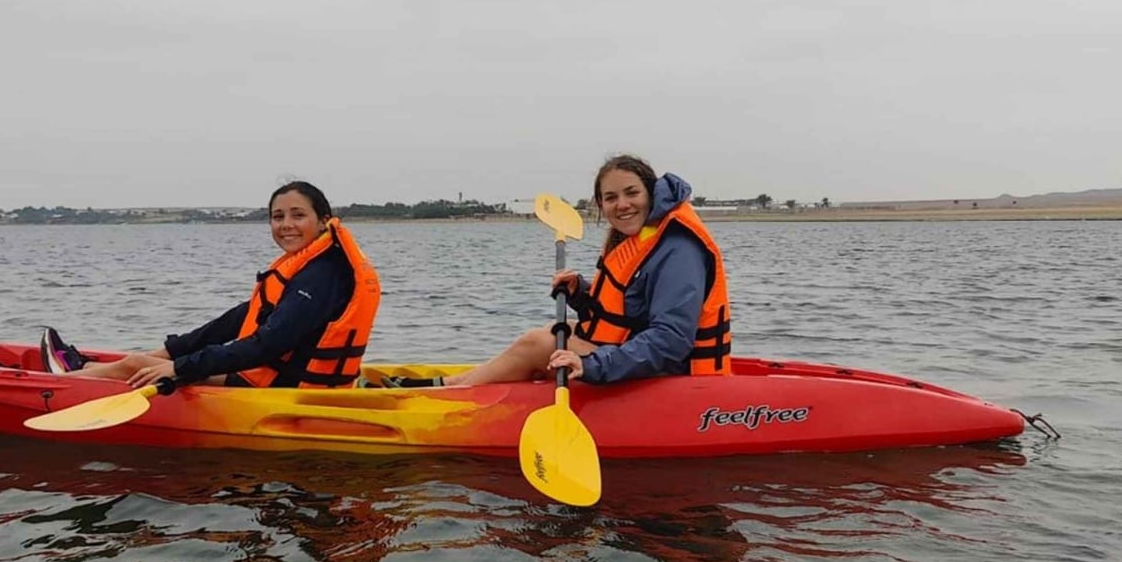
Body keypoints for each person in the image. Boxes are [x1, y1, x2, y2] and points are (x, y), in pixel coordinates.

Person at [391, 154, 731, 388]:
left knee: (539, 343)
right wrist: (581, 294)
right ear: (601, 205)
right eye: (611, 197)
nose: (622, 204)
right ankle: (452, 383)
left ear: (651, 193)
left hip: (672, 374)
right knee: (556, 329)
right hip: (639, 358)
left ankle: (448, 395)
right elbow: (629, 310)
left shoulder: (678, 249)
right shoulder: (645, 240)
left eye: (632, 193)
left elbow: (670, 340)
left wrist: (590, 365)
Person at [41, 181, 381, 389]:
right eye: (278, 217)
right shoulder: (311, 265)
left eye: (298, 215)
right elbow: (239, 319)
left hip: (284, 388)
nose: (286, 225)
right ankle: (87, 369)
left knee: (135, 367)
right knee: (142, 360)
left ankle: (54, 385)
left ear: (323, 222)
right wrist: (171, 352)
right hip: (281, 377)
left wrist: (179, 368)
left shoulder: (319, 277)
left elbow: (266, 345)